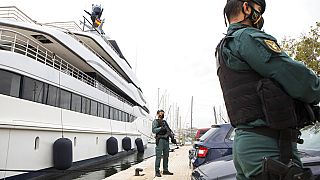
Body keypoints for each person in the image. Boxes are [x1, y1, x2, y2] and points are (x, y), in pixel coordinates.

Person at [216, 0, 320, 179]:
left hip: (246, 144)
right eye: (259, 10)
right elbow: (300, 81)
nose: (261, 17)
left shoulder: (224, 47)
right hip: (269, 146)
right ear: (246, 8)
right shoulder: (247, 37)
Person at [152, 110, 174, 177]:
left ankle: (165, 170)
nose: (162, 114)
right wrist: (161, 128)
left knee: (166, 156)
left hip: (166, 140)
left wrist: (172, 136)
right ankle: (157, 171)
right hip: (160, 140)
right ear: (157, 114)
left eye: (163, 113)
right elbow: (153, 130)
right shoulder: (155, 121)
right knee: (158, 156)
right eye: (160, 113)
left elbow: (169, 130)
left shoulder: (165, 122)